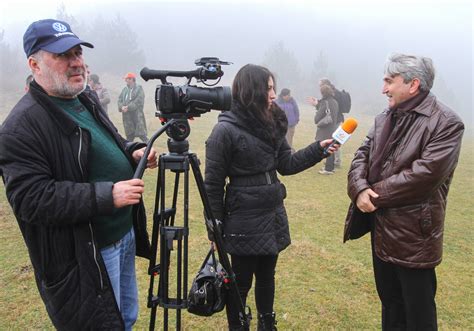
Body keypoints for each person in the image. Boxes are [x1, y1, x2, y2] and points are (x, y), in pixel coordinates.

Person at [0, 19, 158, 330]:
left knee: (126, 317)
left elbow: (109, 141)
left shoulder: (84, 99)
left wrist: (132, 151)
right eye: (63, 56)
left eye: (77, 53)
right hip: (87, 252)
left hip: (122, 234)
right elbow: (32, 200)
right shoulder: (19, 129)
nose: (76, 63)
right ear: (34, 64)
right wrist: (107, 195)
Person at [204, 64, 338, 331]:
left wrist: (318, 151)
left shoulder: (273, 120)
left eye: (273, 87)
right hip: (243, 217)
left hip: (272, 211)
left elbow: (286, 164)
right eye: (267, 88)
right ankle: (238, 326)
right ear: (250, 91)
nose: (273, 94)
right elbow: (213, 185)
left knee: (267, 276)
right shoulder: (225, 131)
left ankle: (267, 324)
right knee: (240, 282)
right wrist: (214, 228)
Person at [343, 53, 464, 330]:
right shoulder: (385, 116)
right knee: (390, 306)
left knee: (418, 314)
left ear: (413, 85)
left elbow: (424, 176)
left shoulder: (446, 123)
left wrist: (371, 194)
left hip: (414, 236)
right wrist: (359, 188)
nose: (383, 88)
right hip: (381, 227)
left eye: (389, 81)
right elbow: (362, 154)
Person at [308, 84, 340, 175]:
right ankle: (331, 167)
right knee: (332, 146)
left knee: (326, 147)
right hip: (332, 127)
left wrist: (316, 108)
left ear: (323, 93)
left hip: (325, 128)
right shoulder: (334, 102)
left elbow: (318, 117)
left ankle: (328, 169)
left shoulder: (324, 102)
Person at [118, 72, 148, 142]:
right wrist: (121, 107)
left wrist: (128, 107)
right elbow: (119, 100)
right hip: (127, 118)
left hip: (137, 116)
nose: (125, 80)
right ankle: (128, 151)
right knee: (129, 136)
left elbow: (139, 101)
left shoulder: (139, 88)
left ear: (132, 79)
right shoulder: (125, 90)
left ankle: (149, 148)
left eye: (127, 79)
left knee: (142, 136)